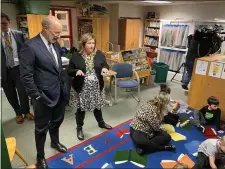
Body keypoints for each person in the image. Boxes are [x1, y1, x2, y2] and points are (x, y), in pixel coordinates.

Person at [19, 15, 68, 169]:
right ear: (45, 28)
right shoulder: (30, 46)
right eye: (56, 33)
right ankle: (40, 157)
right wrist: (37, 96)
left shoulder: (54, 43)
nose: (58, 36)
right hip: (43, 96)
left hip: (59, 92)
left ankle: (55, 142)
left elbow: (57, 68)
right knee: (41, 129)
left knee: (57, 121)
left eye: (60, 33)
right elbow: (26, 76)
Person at [67, 33, 112, 141]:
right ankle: (79, 128)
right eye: (89, 43)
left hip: (96, 87)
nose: (92, 46)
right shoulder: (76, 56)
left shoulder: (99, 54)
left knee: (97, 106)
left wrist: (104, 69)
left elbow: (105, 64)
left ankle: (101, 123)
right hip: (82, 88)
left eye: (93, 43)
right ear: (83, 44)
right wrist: (76, 71)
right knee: (81, 109)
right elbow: (68, 71)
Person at [1, 12, 33, 124]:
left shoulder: (18, 34)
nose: (2, 26)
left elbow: (25, 51)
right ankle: (18, 113)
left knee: (23, 92)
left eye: (4, 23)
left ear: (9, 23)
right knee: (10, 94)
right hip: (4, 72)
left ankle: (26, 111)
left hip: (19, 69)